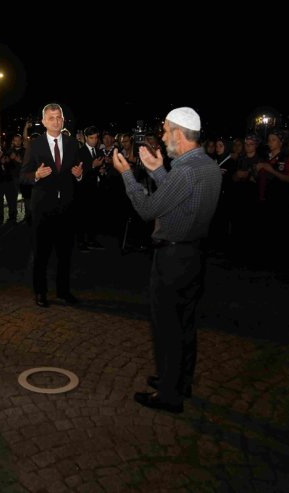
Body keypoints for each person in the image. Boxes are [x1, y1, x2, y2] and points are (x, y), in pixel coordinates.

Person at [112, 107, 221, 413]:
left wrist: (126, 176)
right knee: (185, 324)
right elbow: (179, 198)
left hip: (173, 258)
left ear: (177, 133)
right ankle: (179, 381)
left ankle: (170, 396)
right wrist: (158, 170)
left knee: (167, 328)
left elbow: (149, 209)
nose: (161, 136)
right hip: (194, 255)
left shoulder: (185, 170)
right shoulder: (206, 165)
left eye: (164, 130)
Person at [21, 103, 84, 308]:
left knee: (65, 253)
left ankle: (63, 291)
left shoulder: (73, 144)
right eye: (51, 118)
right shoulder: (35, 145)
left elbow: (79, 170)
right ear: (44, 121)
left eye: (59, 118)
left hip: (66, 207)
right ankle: (40, 292)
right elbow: (23, 176)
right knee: (41, 253)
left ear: (63, 120)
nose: (56, 121)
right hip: (43, 208)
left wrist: (79, 175)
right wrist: (36, 175)